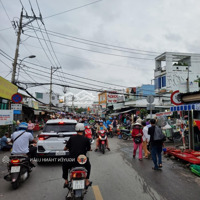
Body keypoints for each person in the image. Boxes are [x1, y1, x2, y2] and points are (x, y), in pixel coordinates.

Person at [62, 123, 92, 188]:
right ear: (83, 130)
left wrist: (66, 148)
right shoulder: (86, 139)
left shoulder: (72, 138)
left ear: (76, 130)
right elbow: (89, 149)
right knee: (88, 166)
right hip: (82, 160)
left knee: (64, 164)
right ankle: (87, 180)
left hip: (72, 160)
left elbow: (65, 148)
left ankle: (66, 181)